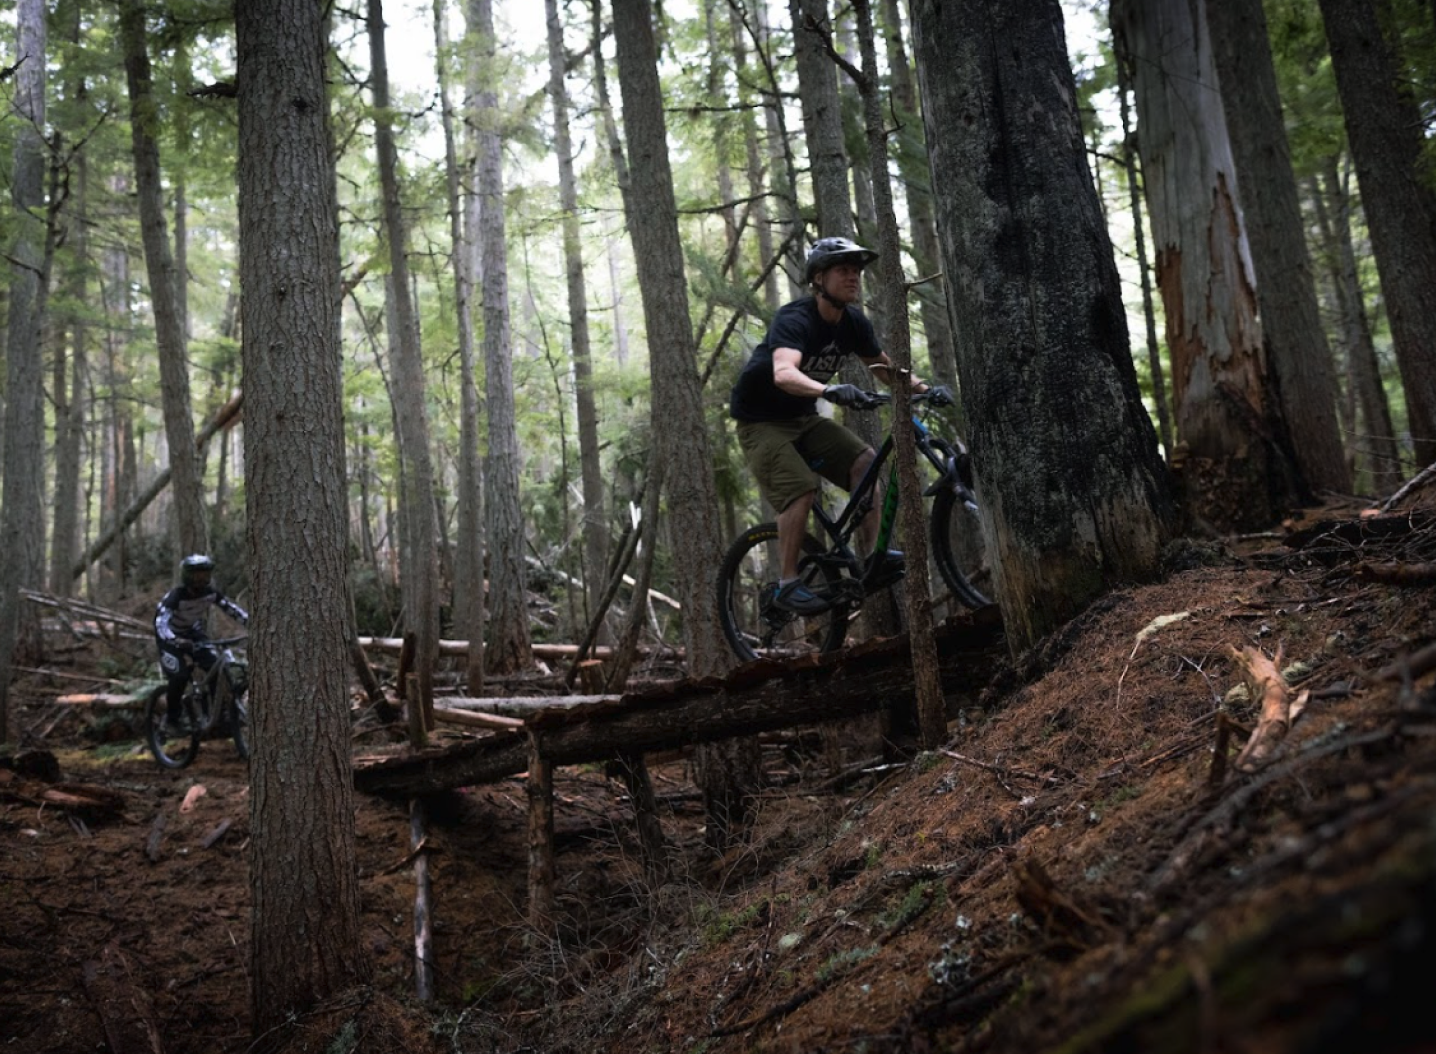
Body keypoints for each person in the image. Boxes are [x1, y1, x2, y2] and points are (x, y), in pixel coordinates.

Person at [729, 236, 953, 615]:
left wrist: (926, 390)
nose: (853, 277)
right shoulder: (795, 318)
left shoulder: (852, 323)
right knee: (801, 489)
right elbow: (783, 373)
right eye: (843, 270)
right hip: (760, 422)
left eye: (856, 271)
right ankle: (786, 585)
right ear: (818, 278)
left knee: (865, 463)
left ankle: (873, 560)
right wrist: (830, 389)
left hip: (803, 419)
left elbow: (884, 368)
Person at [154, 554, 248, 734]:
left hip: (192, 632)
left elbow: (231, 609)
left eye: (205, 575)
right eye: (197, 576)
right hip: (169, 636)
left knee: (215, 668)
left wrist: (251, 623)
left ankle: (215, 716)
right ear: (187, 576)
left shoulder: (210, 592)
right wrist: (175, 640)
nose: (201, 580)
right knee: (179, 676)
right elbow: (161, 623)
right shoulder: (175, 596)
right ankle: (173, 718)